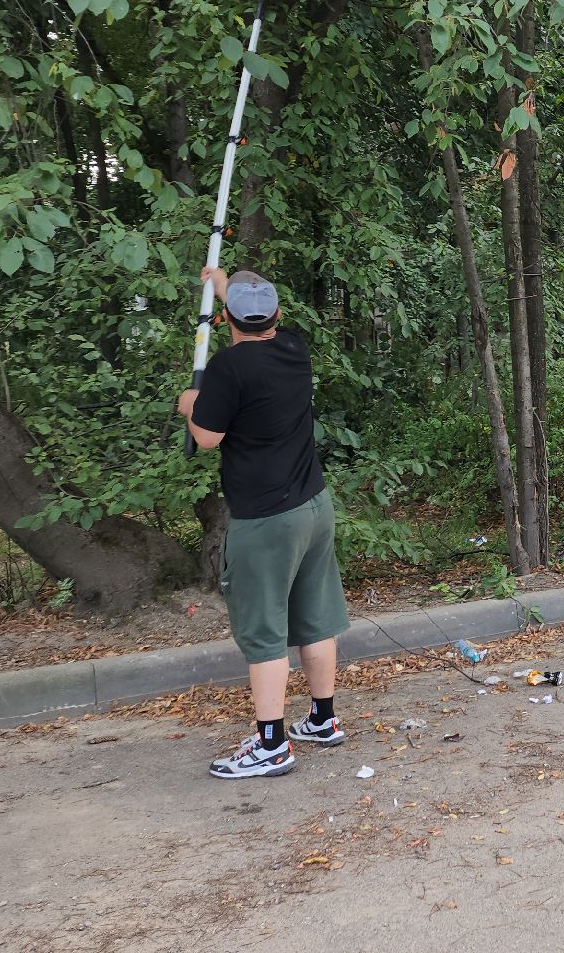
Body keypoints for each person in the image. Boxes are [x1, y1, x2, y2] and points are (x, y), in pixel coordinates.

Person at [177, 267, 349, 778]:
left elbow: (206, 436)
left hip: (266, 520)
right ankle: (323, 719)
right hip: (314, 508)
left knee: (266, 633)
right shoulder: (294, 349)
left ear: (227, 318)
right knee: (315, 617)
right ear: (277, 316)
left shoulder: (229, 369)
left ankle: (271, 744)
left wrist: (190, 404)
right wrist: (226, 284)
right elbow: (255, 319)